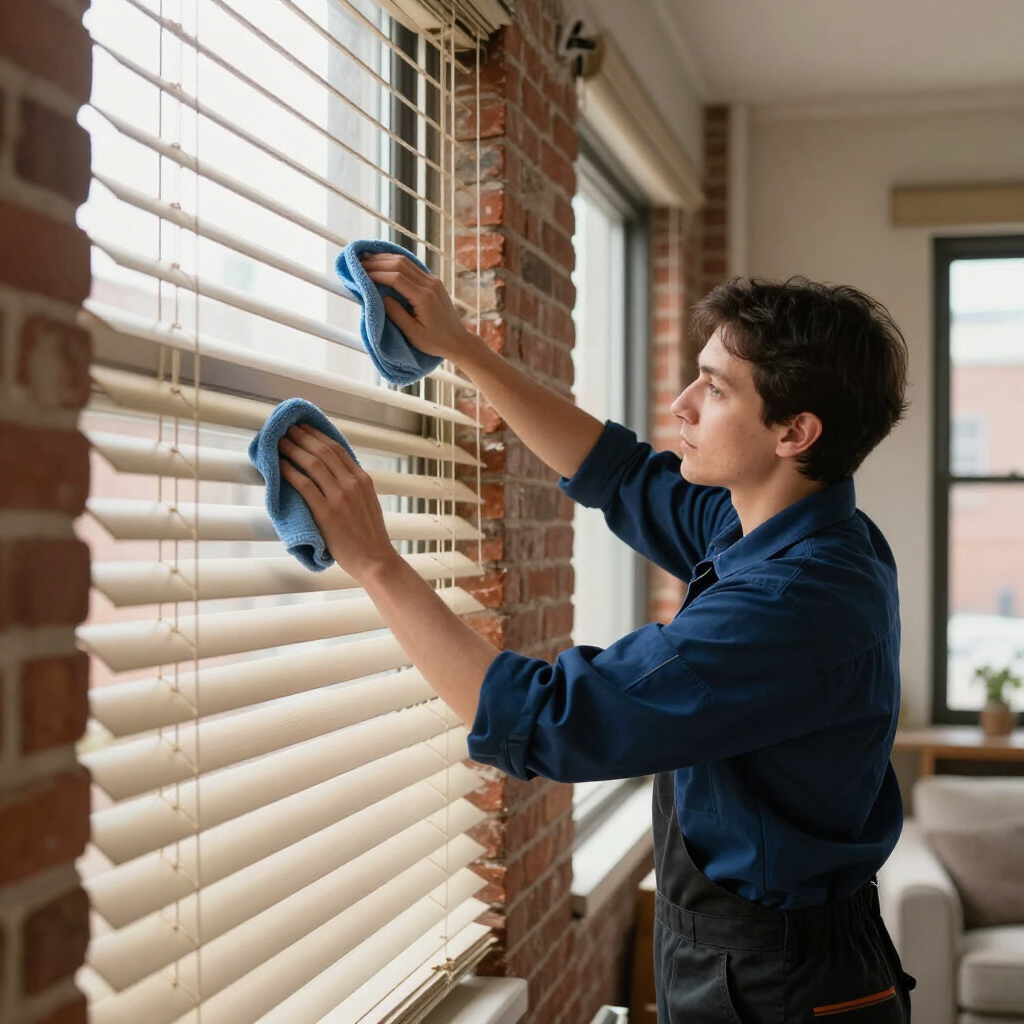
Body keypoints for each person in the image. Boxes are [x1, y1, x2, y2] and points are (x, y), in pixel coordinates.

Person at [277, 255, 916, 1022]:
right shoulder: (783, 524)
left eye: (714, 389)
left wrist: (375, 561)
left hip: (785, 987)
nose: (681, 403)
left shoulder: (795, 602)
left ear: (794, 432)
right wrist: (463, 348)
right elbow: (619, 475)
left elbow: (550, 722)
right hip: (751, 956)